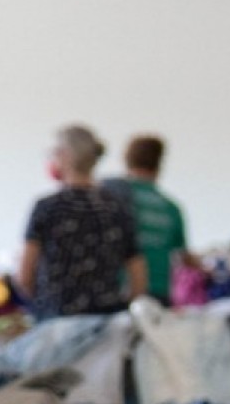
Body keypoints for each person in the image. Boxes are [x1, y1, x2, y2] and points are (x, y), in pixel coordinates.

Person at [18, 125, 144, 318]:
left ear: (65, 156)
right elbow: (138, 274)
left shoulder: (47, 207)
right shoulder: (116, 207)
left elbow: (25, 275)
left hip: (57, 321)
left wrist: (42, 305)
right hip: (105, 322)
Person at [101, 134, 190, 304]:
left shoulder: (108, 195)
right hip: (158, 293)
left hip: (120, 290)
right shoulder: (170, 207)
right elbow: (184, 257)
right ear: (159, 164)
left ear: (126, 159)